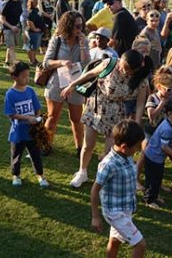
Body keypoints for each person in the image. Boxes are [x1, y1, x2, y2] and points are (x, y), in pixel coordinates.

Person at [63, 50, 148, 188]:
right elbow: (90, 74)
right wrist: (72, 85)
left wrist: (136, 125)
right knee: (88, 145)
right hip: (95, 108)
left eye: (129, 70)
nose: (124, 71)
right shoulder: (110, 63)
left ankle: (101, 179)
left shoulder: (141, 80)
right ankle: (82, 172)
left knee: (109, 153)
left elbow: (139, 104)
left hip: (116, 115)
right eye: (123, 67)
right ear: (121, 60)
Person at [90, 119, 146, 258]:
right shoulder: (108, 164)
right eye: (137, 147)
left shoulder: (126, 156)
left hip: (125, 209)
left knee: (115, 241)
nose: (138, 150)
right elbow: (95, 189)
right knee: (140, 245)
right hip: (115, 213)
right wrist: (95, 216)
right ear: (124, 147)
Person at [42, 11, 90, 156]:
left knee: (76, 119)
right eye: (77, 26)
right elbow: (46, 62)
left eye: (81, 25)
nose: (80, 29)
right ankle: (45, 145)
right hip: (57, 83)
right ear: (68, 26)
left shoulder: (83, 40)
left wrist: (82, 46)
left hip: (76, 84)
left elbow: (86, 63)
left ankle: (79, 148)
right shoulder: (57, 40)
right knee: (52, 117)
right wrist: (61, 62)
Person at [4, 61, 49, 188]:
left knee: (36, 155)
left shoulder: (30, 91)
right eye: (23, 76)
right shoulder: (10, 94)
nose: (26, 78)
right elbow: (11, 114)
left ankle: (40, 175)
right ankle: (16, 175)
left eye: (28, 75)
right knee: (16, 155)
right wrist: (27, 118)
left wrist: (36, 118)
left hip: (32, 132)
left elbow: (37, 108)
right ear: (14, 77)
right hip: (18, 132)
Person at [143, 98, 172, 209]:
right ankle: (149, 200)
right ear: (170, 114)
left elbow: (169, 143)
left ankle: (154, 196)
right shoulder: (167, 128)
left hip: (157, 158)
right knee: (152, 180)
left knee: (157, 178)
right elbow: (164, 147)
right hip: (153, 158)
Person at [0, 0, 23, 67]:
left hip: (16, 27)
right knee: (11, 46)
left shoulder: (19, 2)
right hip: (8, 28)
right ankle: (14, 64)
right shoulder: (8, 3)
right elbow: (2, 18)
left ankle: (6, 62)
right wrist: (11, 27)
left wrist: (17, 25)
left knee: (11, 46)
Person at [26, 0, 44, 66]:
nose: (36, 2)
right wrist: (35, 29)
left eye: (37, 0)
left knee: (35, 47)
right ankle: (32, 61)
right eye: (34, 1)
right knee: (32, 47)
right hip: (33, 32)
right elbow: (29, 22)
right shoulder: (31, 10)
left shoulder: (36, 9)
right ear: (31, 1)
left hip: (37, 32)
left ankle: (34, 59)